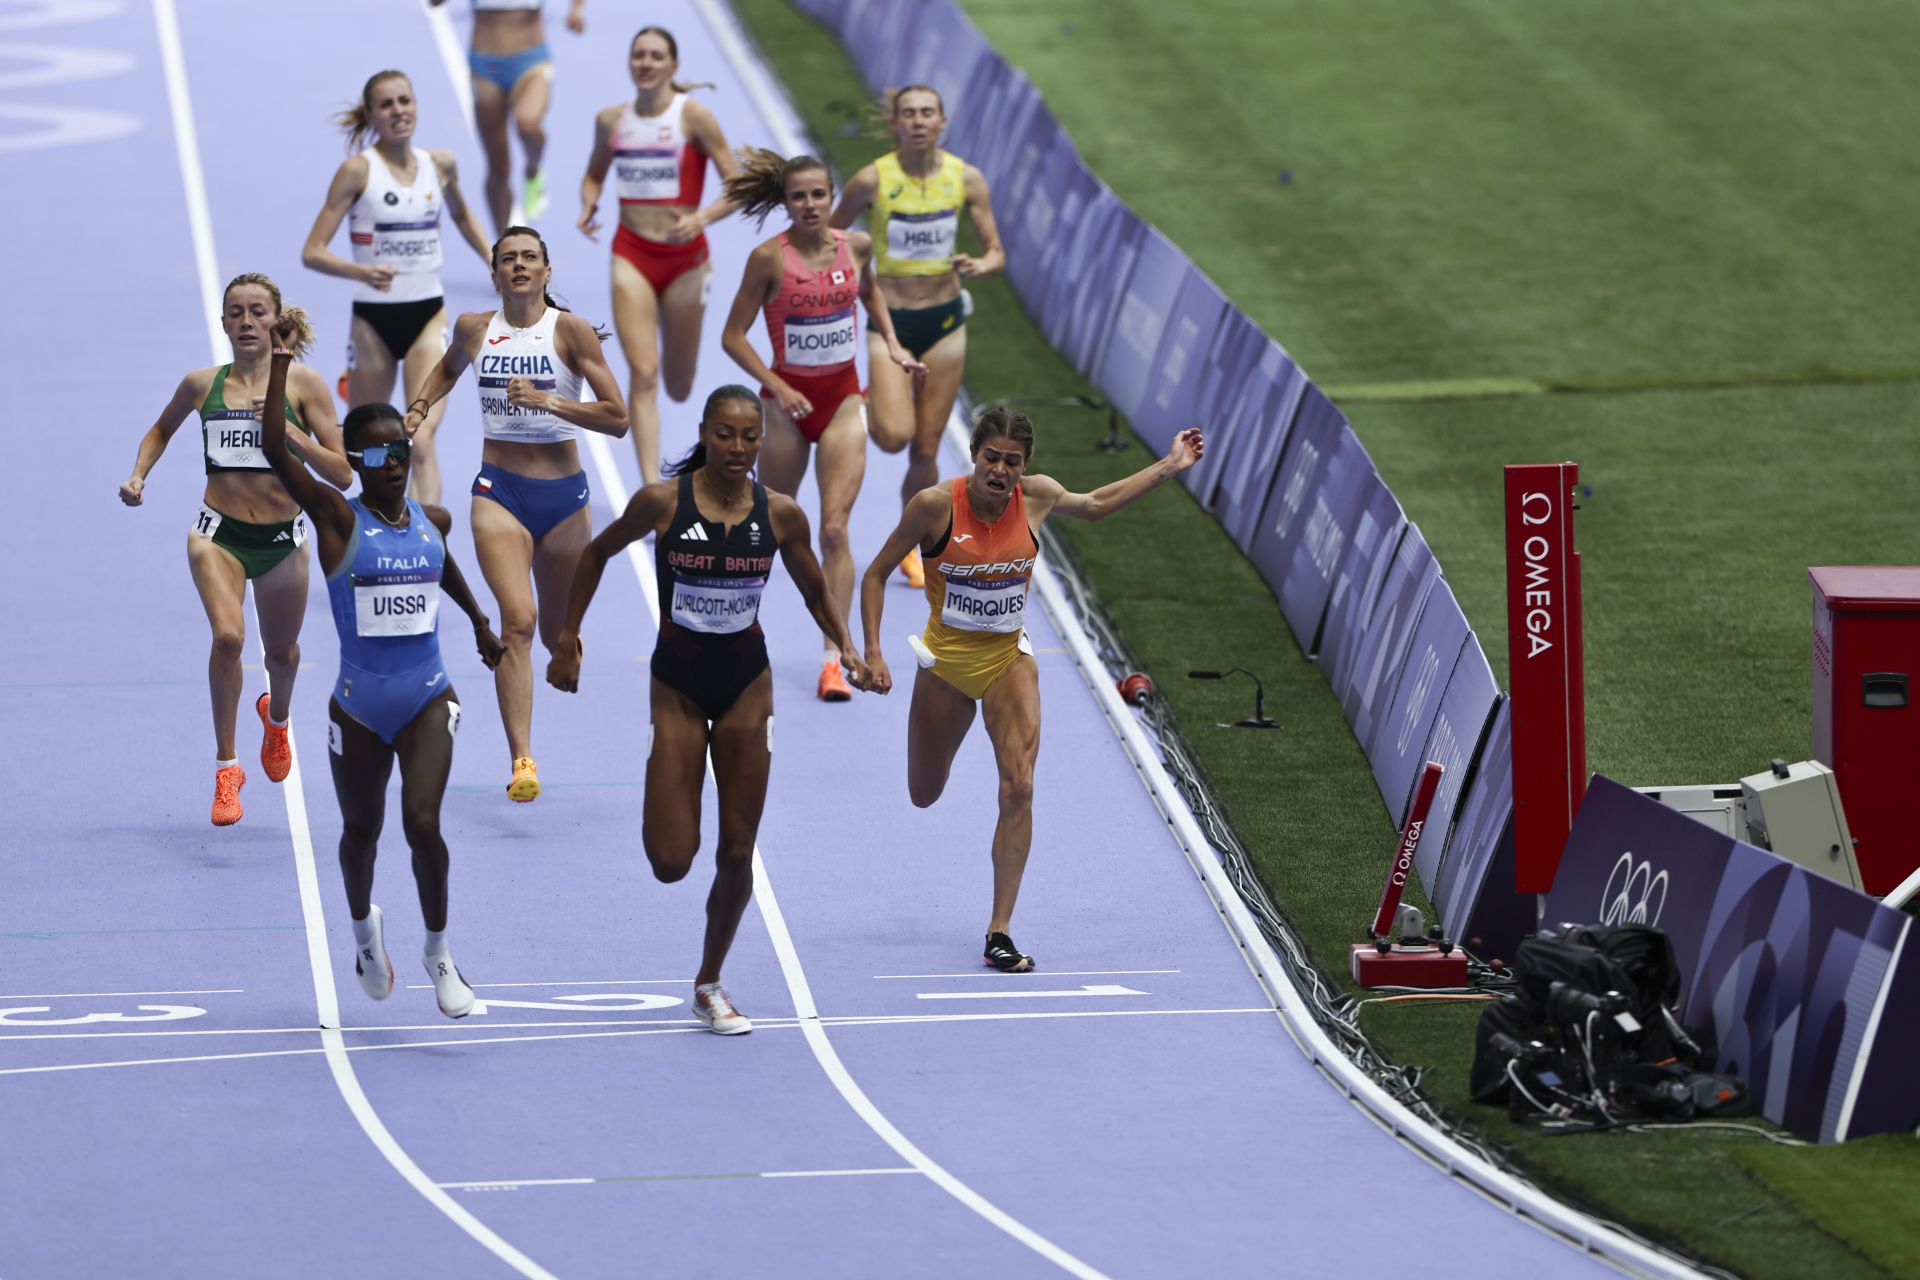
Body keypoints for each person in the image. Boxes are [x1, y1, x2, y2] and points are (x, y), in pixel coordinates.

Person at [547, 385, 869, 1033]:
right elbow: (595, 553)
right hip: (678, 685)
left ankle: (709, 982)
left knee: (737, 850)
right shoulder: (663, 503)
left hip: (748, 681)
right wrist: (567, 636)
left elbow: (813, 586)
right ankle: (669, 778)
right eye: (726, 434)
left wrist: (850, 648)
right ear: (704, 432)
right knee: (671, 861)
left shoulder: (780, 515)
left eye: (751, 437)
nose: (739, 448)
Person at [859, 409, 1204, 971]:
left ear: (1025, 466)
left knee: (1018, 788)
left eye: (1012, 461)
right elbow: (875, 574)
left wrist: (1170, 464)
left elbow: (1095, 505)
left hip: (1007, 662)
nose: (1000, 470)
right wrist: (872, 652)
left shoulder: (1037, 498)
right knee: (924, 792)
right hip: (945, 665)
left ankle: (999, 930)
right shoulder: (934, 506)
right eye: (991, 457)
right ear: (974, 455)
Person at [259, 314, 506, 1019]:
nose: (392, 462)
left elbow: (441, 561)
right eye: (375, 455)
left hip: (428, 695)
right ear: (355, 465)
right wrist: (280, 362)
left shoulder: (432, 518)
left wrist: (480, 621)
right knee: (360, 832)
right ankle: (366, 934)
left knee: (423, 823)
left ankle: (438, 952)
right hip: (359, 707)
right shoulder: (338, 522)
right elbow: (277, 448)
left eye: (399, 448)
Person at [119, 274, 351, 827]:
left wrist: (286, 431)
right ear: (224, 323)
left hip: (280, 540)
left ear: (277, 321)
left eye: (257, 312)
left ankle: (278, 718)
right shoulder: (202, 384)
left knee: (281, 656)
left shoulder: (304, 386)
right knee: (228, 637)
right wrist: (137, 475)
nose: (246, 321)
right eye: (235, 313)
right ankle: (227, 767)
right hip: (217, 533)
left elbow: (342, 473)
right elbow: (160, 429)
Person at [406, 226, 627, 802]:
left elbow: (618, 417)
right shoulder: (475, 329)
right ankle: (522, 759)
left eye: (531, 257)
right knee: (517, 624)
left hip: (564, 500)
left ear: (548, 272)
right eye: (509, 259)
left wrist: (551, 400)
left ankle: (569, 646)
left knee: (555, 635)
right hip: (497, 491)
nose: (521, 266)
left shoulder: (571, 332)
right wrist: (422, 404)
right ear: (496, 273)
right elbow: (449, 368)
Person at [719, 149, 924, 701]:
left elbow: (872, 293)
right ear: (784, 203)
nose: (810, 205)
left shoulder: (855, 246)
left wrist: (895, 345)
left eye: (818, 195)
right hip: (785, 406)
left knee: (834, 529)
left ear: (832, 198)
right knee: (768, 529)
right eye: (798, 196)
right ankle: (733, 632)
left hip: (840, 402)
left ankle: (836, 656)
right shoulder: (768, 258)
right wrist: (779, 387)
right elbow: (732, 335)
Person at [831, 85, 1004, 589]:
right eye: (909, 114)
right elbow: (832, 238)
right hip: (892, 324)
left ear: (942, 121)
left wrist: (980, 263)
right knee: (892, 435)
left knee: (925, 450)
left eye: (928, 113)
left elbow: (997, 251)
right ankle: (867, 401)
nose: (919, 121)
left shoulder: (966, 179)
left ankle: (911, 546)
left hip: (946, 323)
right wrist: (845, 281)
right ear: (896, 123)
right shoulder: (872, 180)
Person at [301, 68, 492, 506]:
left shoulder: (439, 165)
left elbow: (462, 216)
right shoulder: (356, 172)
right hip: (374, 320)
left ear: (416, 105)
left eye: (405, 100)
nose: (398, 111)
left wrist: (491, 259)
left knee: (420, 440)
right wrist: (361, 272)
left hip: (427, 314)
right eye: (386, 105)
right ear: (370, 115)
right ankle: (369, 532)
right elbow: (312, 251)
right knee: (363, 445)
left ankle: (429, 540)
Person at [579, 26, 739, 486]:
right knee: (643, 373)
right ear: (630, 63)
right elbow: (594, 175)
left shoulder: (694, 117)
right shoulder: (612, 120)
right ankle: (652, 487)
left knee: (678, 383)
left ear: (673, 65)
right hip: (631, 254)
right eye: (639, 55)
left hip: (686, 261)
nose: (646, 63)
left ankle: (669, 448)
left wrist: (701, 218)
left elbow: (737, 185)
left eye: (656, 56)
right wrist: (588, 201)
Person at [430, 0, 586, 230]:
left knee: (528, 123)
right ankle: (502, 247)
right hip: (485, 67)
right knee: (498, 168)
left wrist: (576, 11)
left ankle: (533, 170)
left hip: (531, 61)